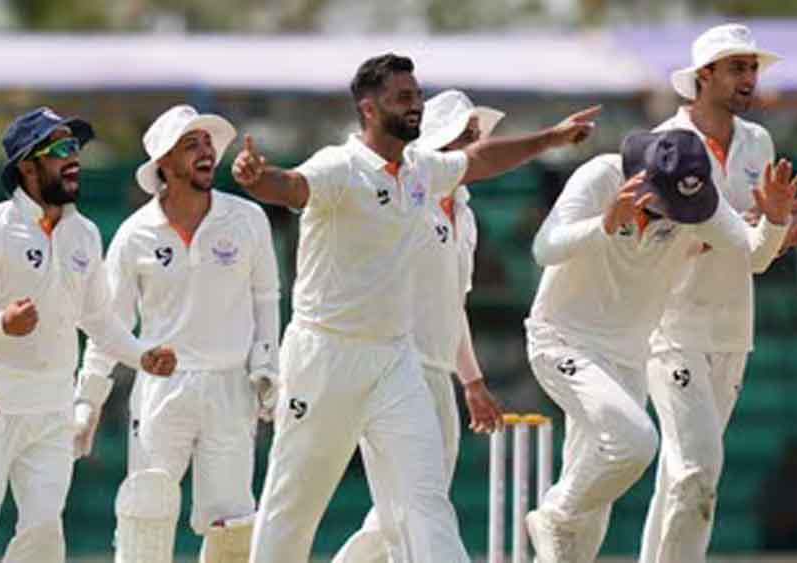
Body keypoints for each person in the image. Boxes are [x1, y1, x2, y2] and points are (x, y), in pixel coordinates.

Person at [231, 52, 599, 563]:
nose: (415, 106)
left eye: (418, 96)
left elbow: (480, 161)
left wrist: (551, 139)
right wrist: (257, 178)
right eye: (402, 97)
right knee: (294, 502)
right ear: (368, 108)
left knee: (425, 500)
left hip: (394, 358)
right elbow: (292, 186)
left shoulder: (420, 168)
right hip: (325, 355)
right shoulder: (340, 166)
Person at [0, 107, 177, 563]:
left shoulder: (84, 234)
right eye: (61, 149)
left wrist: (142, 354)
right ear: (27, 166)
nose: (74, 158)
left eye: (76, 147)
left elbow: (99, 320)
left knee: (44, 530)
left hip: (52, 408)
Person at [523, 127, 797, 563]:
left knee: (594, 505)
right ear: (642, 179)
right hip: (563, 340)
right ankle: (557, 512)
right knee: (634, 443)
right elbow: (545, 248)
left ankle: (563, 527)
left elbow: (752, 255)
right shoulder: (601, 177)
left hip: (629, 356)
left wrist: (775, 221)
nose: (677, 216)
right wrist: (604, 224)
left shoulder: (698, 203)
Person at [639, 24, 797, 563]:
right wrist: (750, 227)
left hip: (733, 330)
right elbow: (657, 243)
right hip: (673, 329)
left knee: (682, 476)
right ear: (705, 75)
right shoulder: (665, 144)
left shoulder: (758, 142)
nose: (749, 78)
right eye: (737, 68)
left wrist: (777, 230)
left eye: (753, 68)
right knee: (697, 473)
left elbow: (754, 258)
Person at [74, 105, 281, 563]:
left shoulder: (248, 219)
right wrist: (88, 399)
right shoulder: (135, 234)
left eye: (208, 143)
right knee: (145, 511)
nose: (206, 152)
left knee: (232, 524)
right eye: (191, 145)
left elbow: (266, 298)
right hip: (162, 389)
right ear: (164, 164)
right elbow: (108, 322)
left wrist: (268, 367)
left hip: (230, 387)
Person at [331, 89, 505, 563]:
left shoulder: (464, 214)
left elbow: (453, 303)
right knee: (415, 506)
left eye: (477, 137)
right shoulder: (405, 200)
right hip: (393, 367)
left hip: (436, 369)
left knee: (410, 506)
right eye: (467, 137)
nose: (477, 147)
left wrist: (471, 381)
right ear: (442, 144)